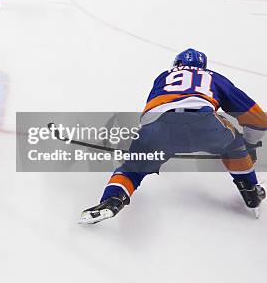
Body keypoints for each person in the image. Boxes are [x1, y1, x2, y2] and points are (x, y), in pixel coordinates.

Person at [80, 49, 267, 224]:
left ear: (177, 64)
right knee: (233, 145)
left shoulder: (163, 77)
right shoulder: (214, 78)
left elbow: (150, 112)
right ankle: (250, 190)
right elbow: (258, 119)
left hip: (157, 124)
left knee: (132, 169)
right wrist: (248, 144)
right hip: (204, 122)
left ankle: (112, 200)